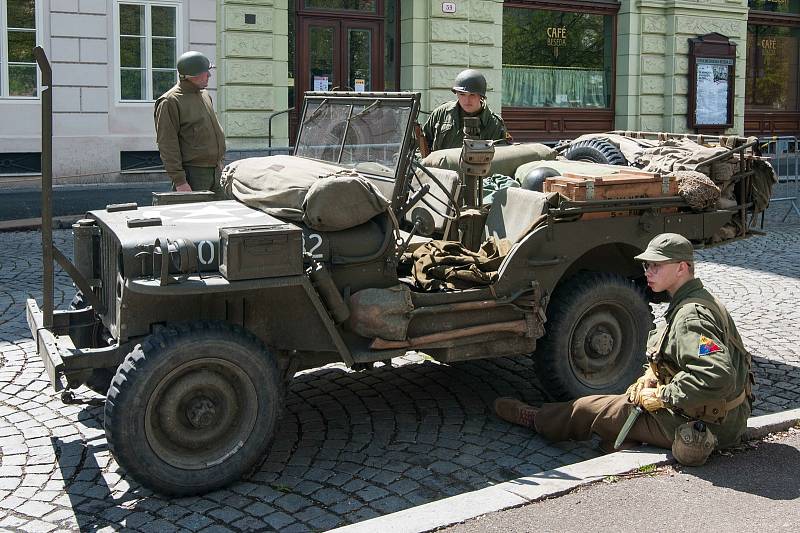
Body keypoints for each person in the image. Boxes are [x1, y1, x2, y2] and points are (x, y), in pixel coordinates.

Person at [494, 233, 753, 465]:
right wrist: (650, 377)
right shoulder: (699, 299)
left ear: (681, 268)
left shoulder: (690, 316)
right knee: (615, 421)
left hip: (708, 425)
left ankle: (537, 419)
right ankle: (621, 441)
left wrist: (664, 395)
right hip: (722, 416)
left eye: (657, 266)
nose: (648, 272)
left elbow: (717, 374)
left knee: (589, 408)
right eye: (646, 265)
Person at [154, 51, 226, 193]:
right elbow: (167, 144)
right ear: (193, 75)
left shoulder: (204, 94)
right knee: (196, 214)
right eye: (206, 72)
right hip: (193, 175)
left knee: (223, 214)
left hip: (216, 171)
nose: (209, 76)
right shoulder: (170, 101)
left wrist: (219, 163)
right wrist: (180, 181)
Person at [420, 69, 509, 153]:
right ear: (457, 94)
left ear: (480, 96)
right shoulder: (441, 114)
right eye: (462, 94)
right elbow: (420, 145)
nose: (467, 100)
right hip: (439, 169)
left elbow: (502, 157)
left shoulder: (494, 124)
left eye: (472, 95)